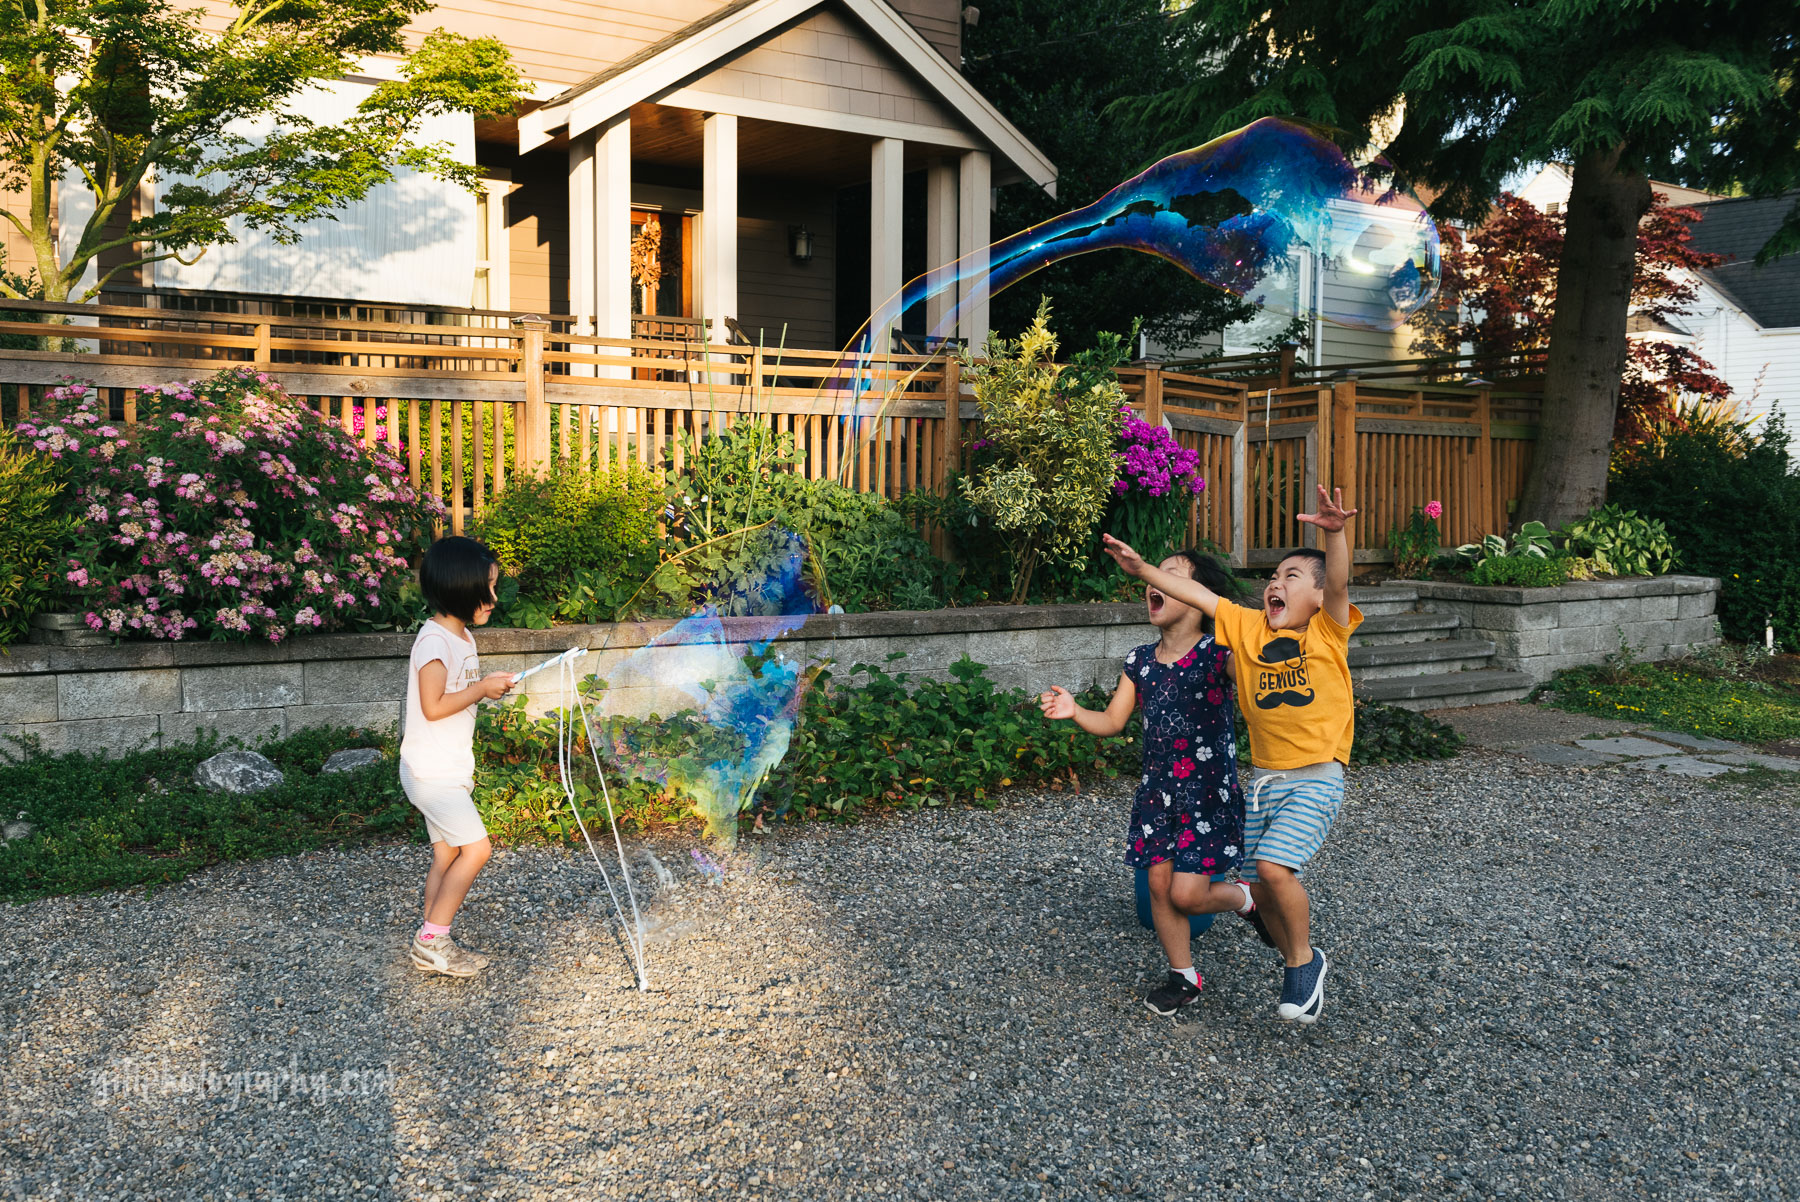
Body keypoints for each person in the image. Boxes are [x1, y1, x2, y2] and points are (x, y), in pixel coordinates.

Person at [1102, 486, 1362, 1024]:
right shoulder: (1243, 628)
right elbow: (1193, 596)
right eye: (1273, 576)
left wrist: (1333, 535)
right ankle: (1272, 933)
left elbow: (1336, 581)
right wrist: (1143, 568)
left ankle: (1304, 962)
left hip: (1317, 775)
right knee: (1253, 881)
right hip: (1265, 780)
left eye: (1292, 577)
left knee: (1271, 866)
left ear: (1313, 599)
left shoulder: (1327, 631)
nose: (1277, 583)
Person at [1038, 549, 1254, 1016]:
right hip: (1158, 796)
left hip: (1206, 796)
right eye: (1152, 578)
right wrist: (1076, 712)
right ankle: (1184, 976)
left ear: (1197, 597)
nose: (1153, 584)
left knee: (1187, 893)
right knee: (1158, 887)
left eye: (1170, 578)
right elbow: (1114, 721)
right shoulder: (1140, 660)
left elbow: (1257, 684)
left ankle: (1245, 899)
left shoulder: (1221, 654)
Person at [400, 536, 517, 978]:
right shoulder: (434, 642)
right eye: (486, 589)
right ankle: (433, 939)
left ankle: (429, 938)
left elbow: (456, 699)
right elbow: (433, 706)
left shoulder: (462, 637)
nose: (494, 598)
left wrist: (487, 689)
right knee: (478, 849)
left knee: (447, 855)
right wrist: (480, 688)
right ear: (457, 588)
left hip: (448, 768)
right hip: (430, 772)